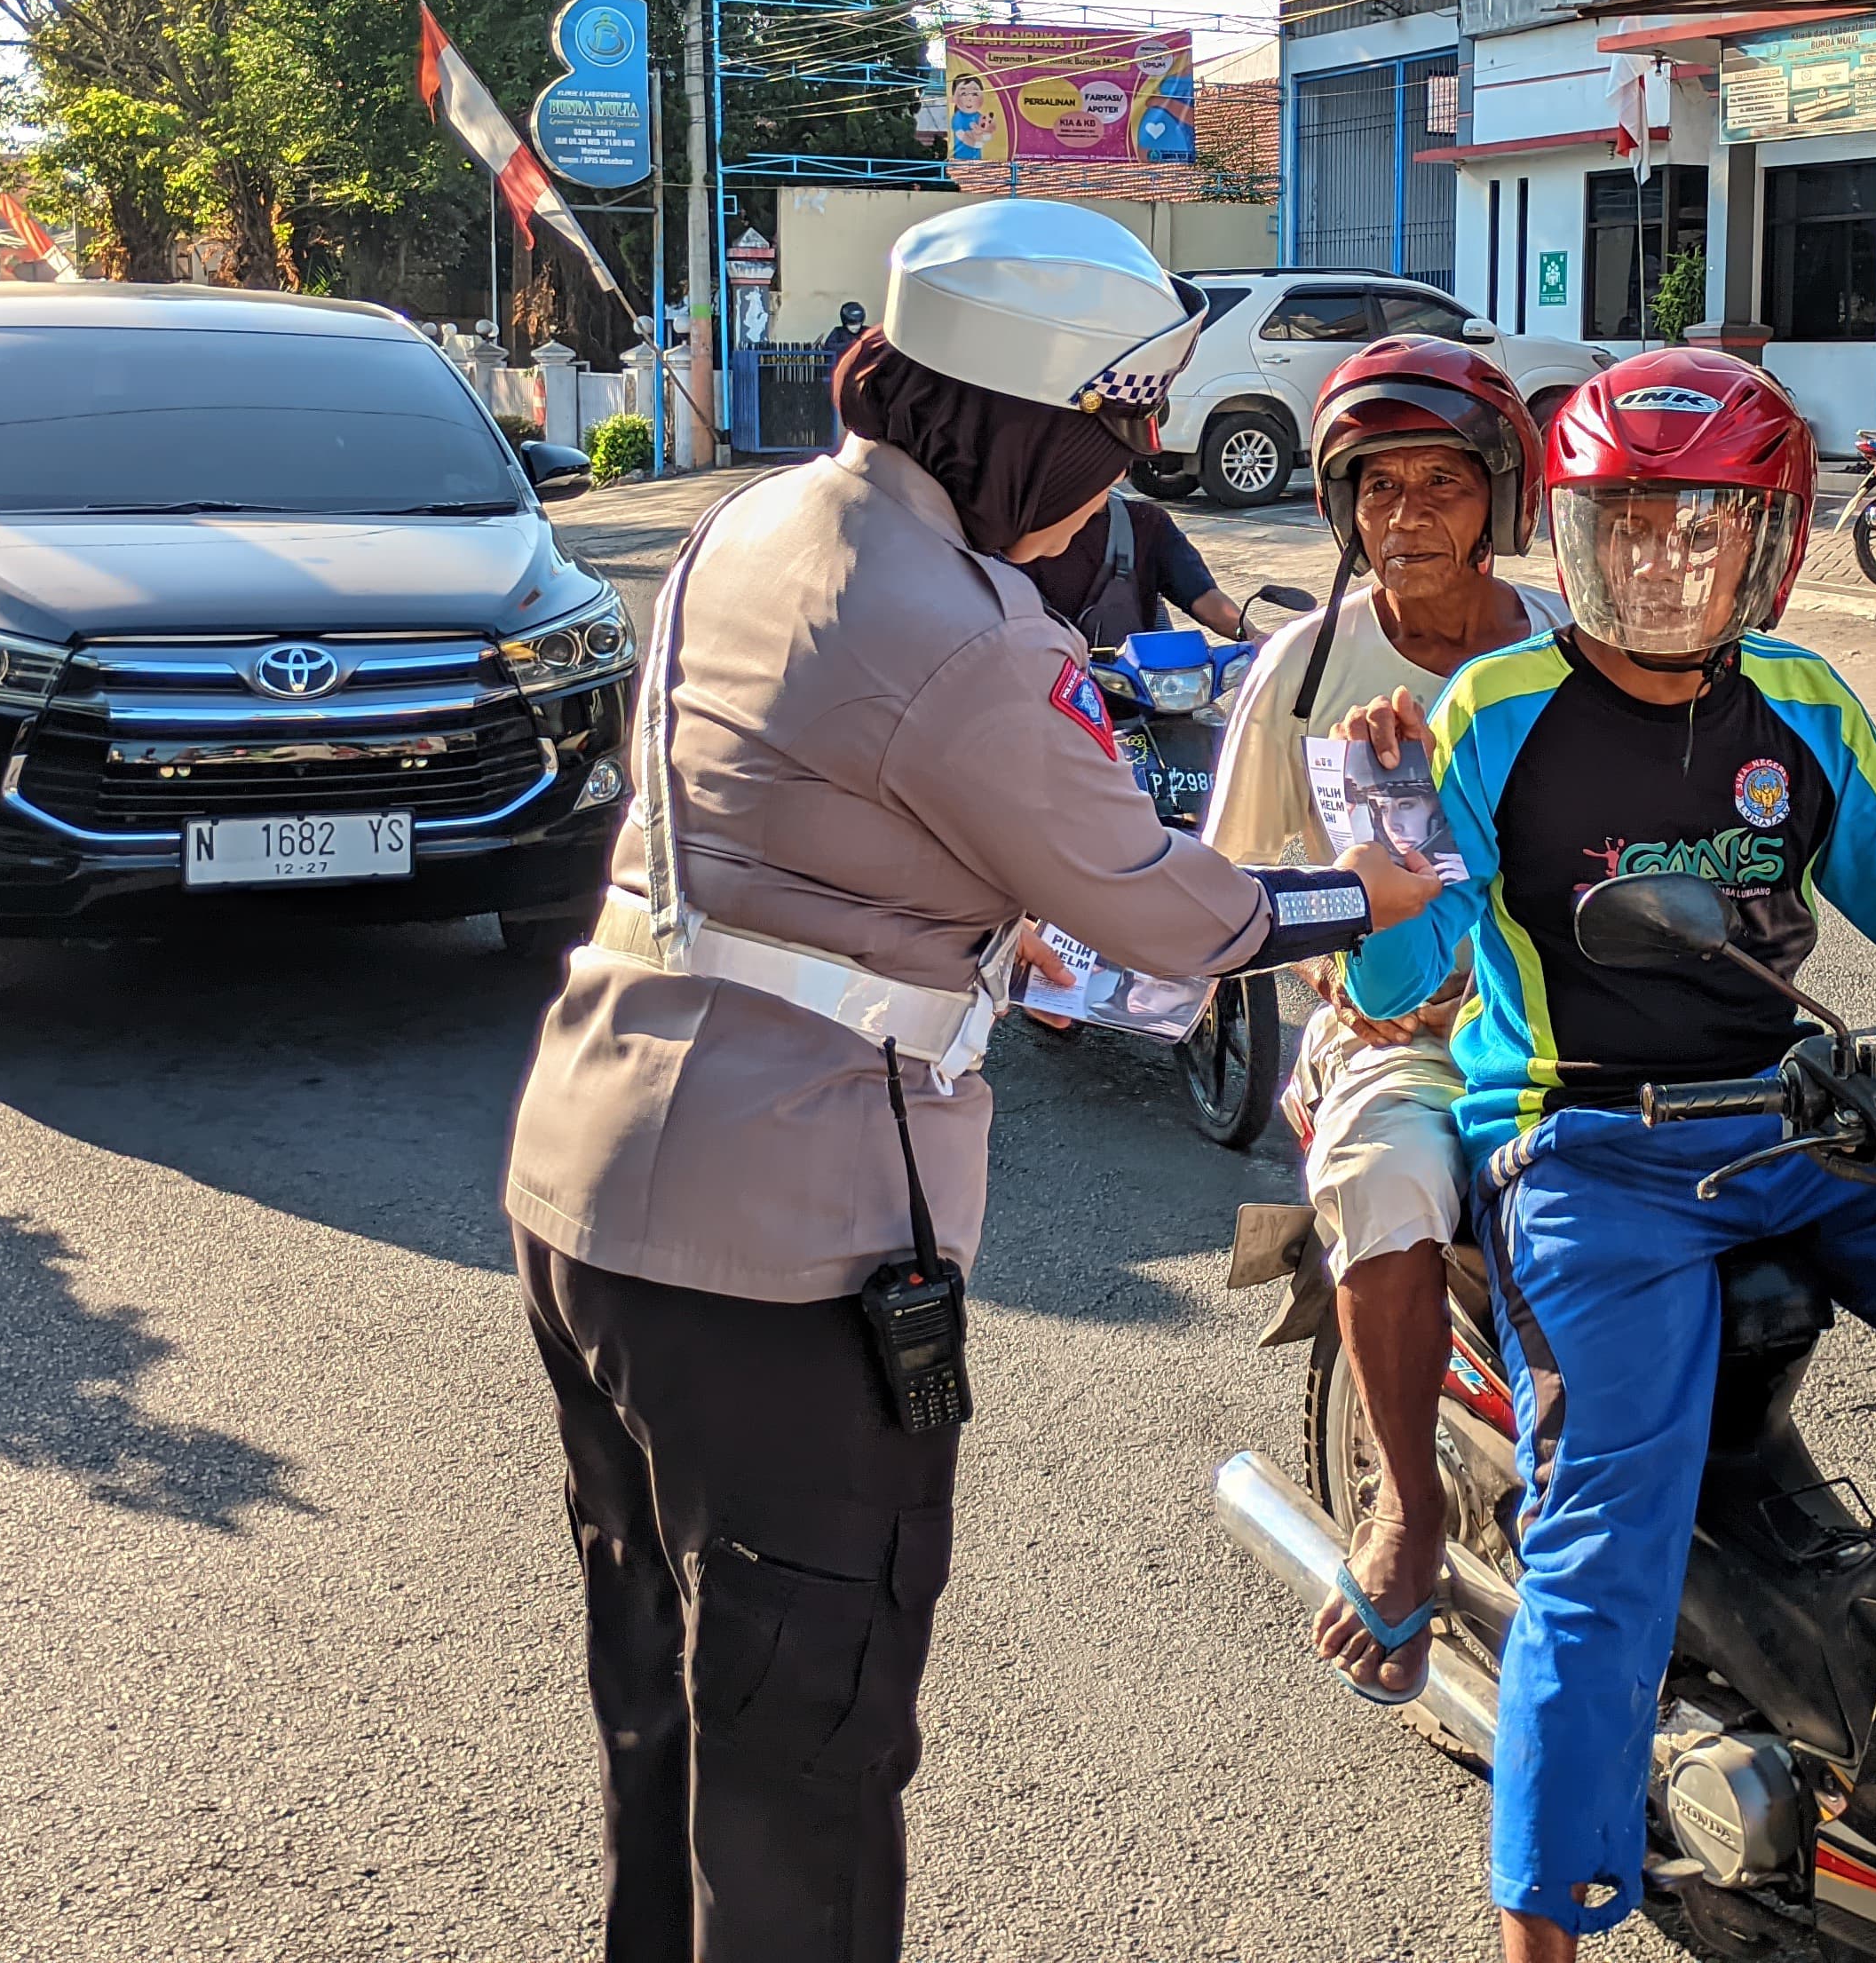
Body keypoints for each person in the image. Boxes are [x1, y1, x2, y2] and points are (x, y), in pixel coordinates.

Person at [505, 198, 1444, 1963]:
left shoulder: (753, 526)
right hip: (781, 1248)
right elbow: (1172, 908)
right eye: (1110, 447)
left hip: (589, 1185)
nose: (1116, 490)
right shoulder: (961, 633)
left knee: (662, 1710)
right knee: (809, 1762)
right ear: (1035, 429)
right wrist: (1365, 893)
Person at [1335, 350, 1876, 1961]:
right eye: (1627, 531)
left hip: (1805, 1119)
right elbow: (1398, 981)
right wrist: (1393, 864)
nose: (1662, 567)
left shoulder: (1806, 705)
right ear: (1571, 537)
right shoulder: (1497, 712)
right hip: (1588, 1144)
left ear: (1774, 545)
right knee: (1603, 1537)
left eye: (1702, 534)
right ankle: (1542, 1925)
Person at [1199, 335, 1559, 1706]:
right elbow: (1227, 891)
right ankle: (1405, 1512)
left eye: (1440, 485)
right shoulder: (1303, 671)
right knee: (1391, 1169)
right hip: (1387, 1033)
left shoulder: (1566, 662)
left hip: (1571, 1020)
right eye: (1377, 488)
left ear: (1503, 503)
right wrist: (1339, 976)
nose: (1406, 517)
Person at [1022, 481, 1246, 645]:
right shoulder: (1009, 538)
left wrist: (1251, 636)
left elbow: (1203, 596)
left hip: (1140, 688)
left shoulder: (1147, 523)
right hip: (1045, 686)